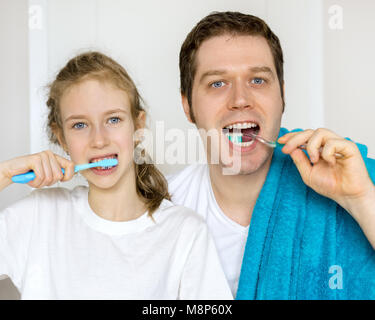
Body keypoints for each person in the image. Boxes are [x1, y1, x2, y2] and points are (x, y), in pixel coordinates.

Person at [168, 11, 375, 299]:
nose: (240, 99)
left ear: (282, 96)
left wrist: (362, 200)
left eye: (258, 80)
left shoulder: (357, 181)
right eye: (217, 83)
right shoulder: (162, 211)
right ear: (187, 106)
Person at [0, 51, 232, 300]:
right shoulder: (36, 217)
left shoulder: (185, 232)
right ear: (61, 138)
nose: (99, 140)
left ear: (138, 126)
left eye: (113, 119)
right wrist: (4, 173)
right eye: (79, 125)